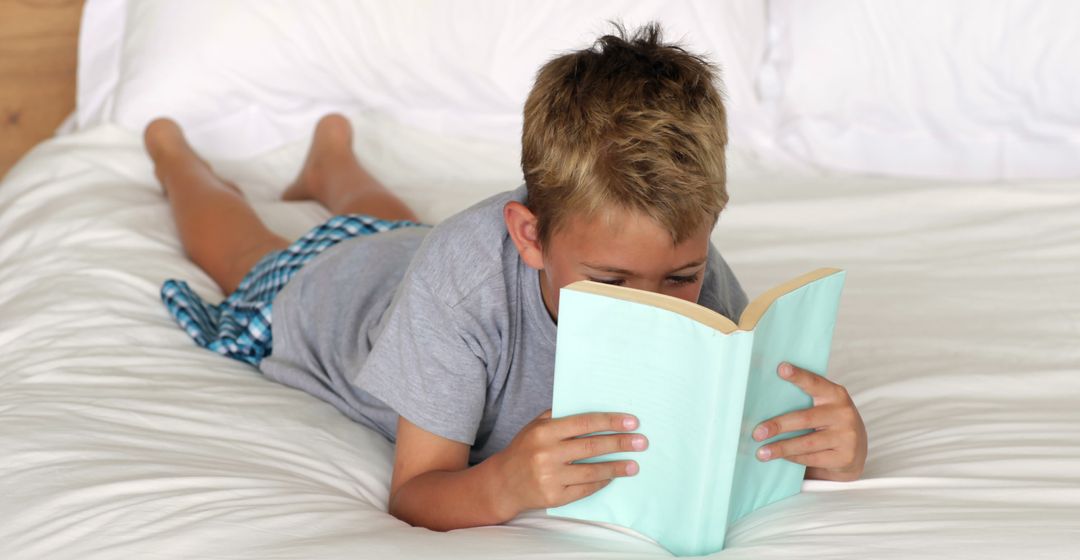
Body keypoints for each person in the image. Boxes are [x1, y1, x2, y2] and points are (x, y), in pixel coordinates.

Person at [146, 23, 868, 532]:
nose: (656, 309)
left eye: (679, 277)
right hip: (335, 290)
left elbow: (731, 424)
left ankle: (332, 159)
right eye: (611, 283)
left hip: (410, 251)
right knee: (252, 252)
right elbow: (415, 493)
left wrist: (828, 447)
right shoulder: (462, 291)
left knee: (397, 228)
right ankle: (174, 154)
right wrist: (504, 485)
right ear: (531, 237)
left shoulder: (689, 268)